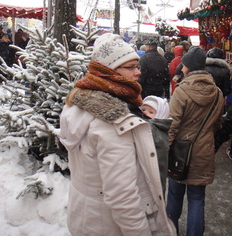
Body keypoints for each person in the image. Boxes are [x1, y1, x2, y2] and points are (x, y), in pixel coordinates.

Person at [59, 33, 176, 236]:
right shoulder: (110, 122)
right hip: (108, 226)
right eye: (130, 67)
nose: (138, 72)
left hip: (88, 218)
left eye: (137, 66)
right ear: (108, 72)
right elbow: (122, 197)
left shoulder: (82, 103)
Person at [166, 46, 225, 236]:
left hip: (180, 153)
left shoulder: (181, 92)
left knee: (175, 195)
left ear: (188, 67)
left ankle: (170, 230)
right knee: (197, 198)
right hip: (203, 152)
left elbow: (172, 126)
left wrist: (163, 148)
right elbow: (217, 125)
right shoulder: (217, 93)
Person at [140, 95, 172, 194]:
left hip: (150, 177)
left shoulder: (151, 128)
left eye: (151, 112)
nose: (145, 113)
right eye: (143, 109)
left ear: (161, 115)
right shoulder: (161, 129)